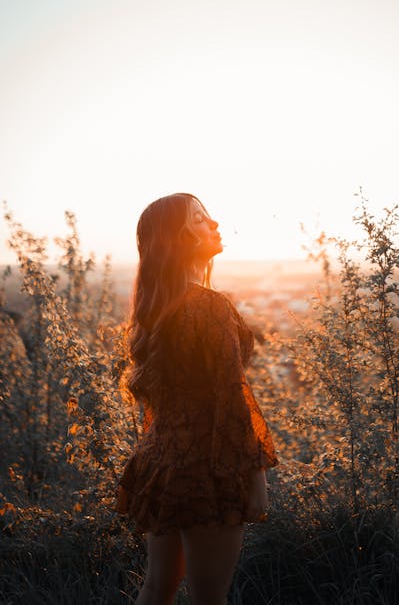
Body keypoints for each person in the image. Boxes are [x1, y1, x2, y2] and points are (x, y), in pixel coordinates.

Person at [115, 193, 278, 605]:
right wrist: (256, 476)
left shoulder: (157, 310)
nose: (215, 224)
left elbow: (160, 403)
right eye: (202, 219)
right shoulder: (208, 307)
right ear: (181, 236)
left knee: (157, 587)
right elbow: (232, 395)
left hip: (162, 461)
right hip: (207, 467)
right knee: (210, 598)